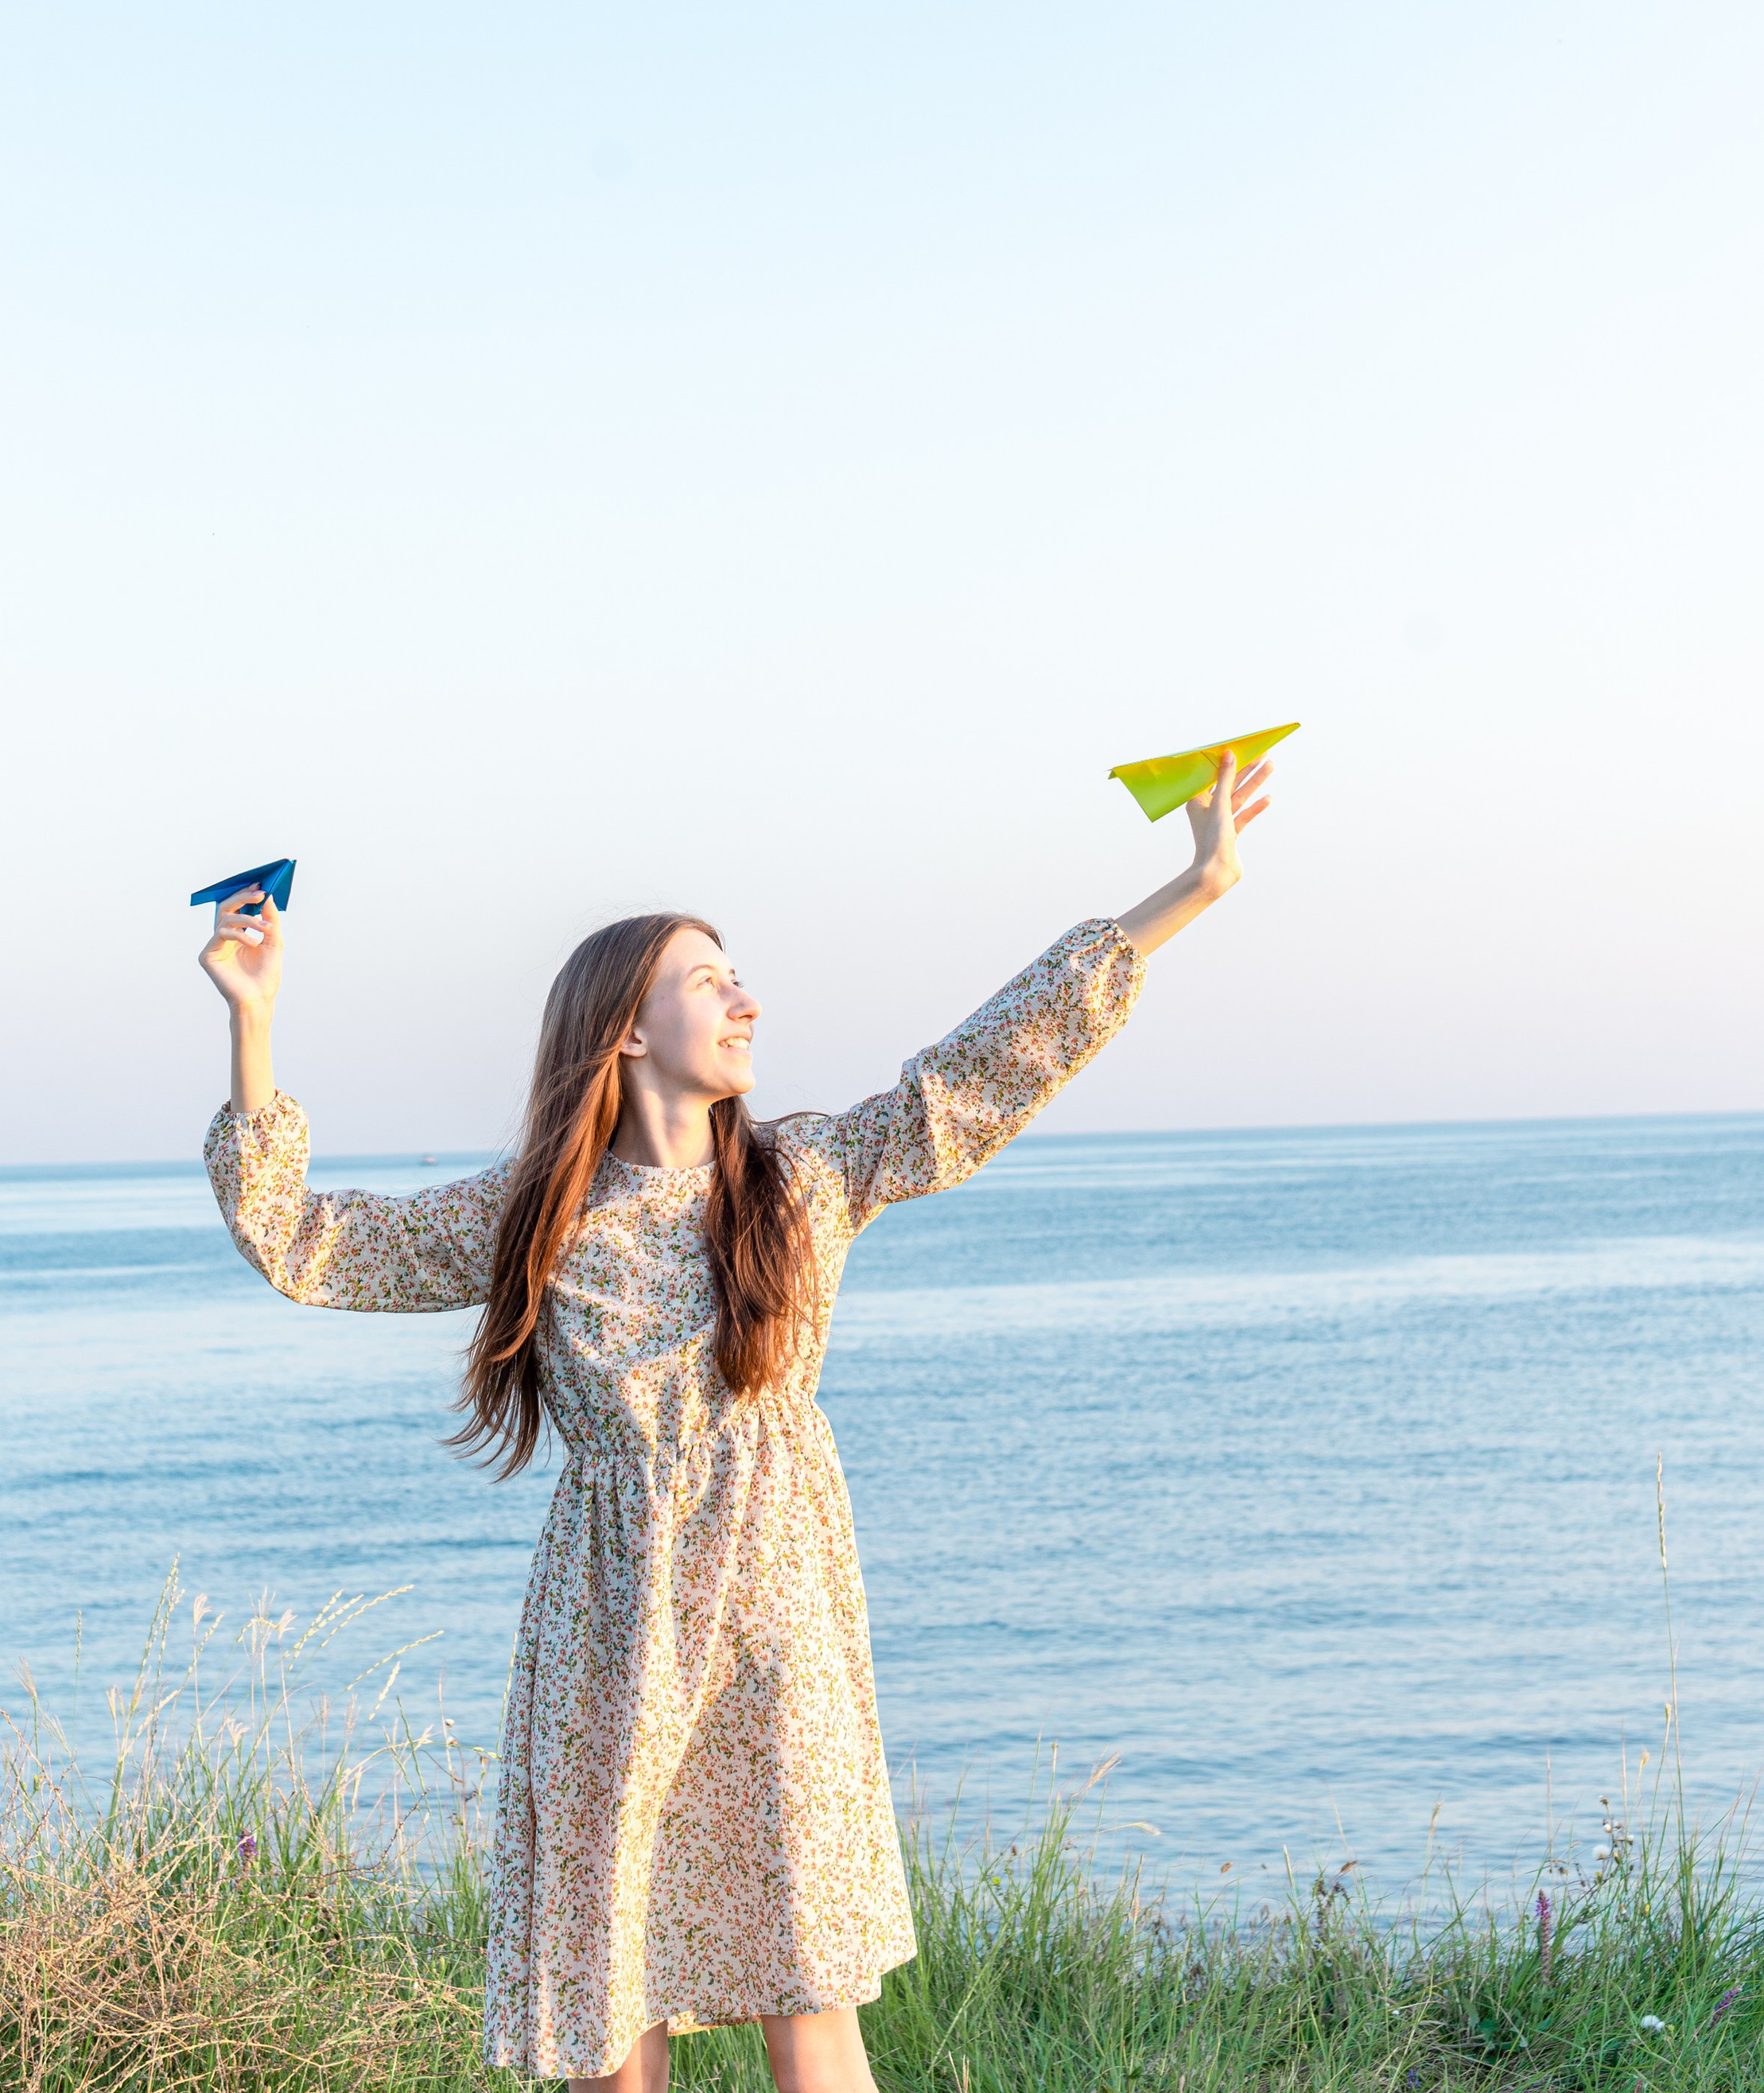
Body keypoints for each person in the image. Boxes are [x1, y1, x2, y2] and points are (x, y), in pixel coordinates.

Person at [200, 750, 1274, 2091]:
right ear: (627, 1029)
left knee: (810, 1995)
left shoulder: (805, 1176)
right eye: (711, 979)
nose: (748, 998)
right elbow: (308, 1243)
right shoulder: (536, 1216)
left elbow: (983, 1071)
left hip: (777, 1617)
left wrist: (1193, 885)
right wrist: (253, 1021)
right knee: (609, 2005)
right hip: (610, 1629)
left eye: (738, 973)